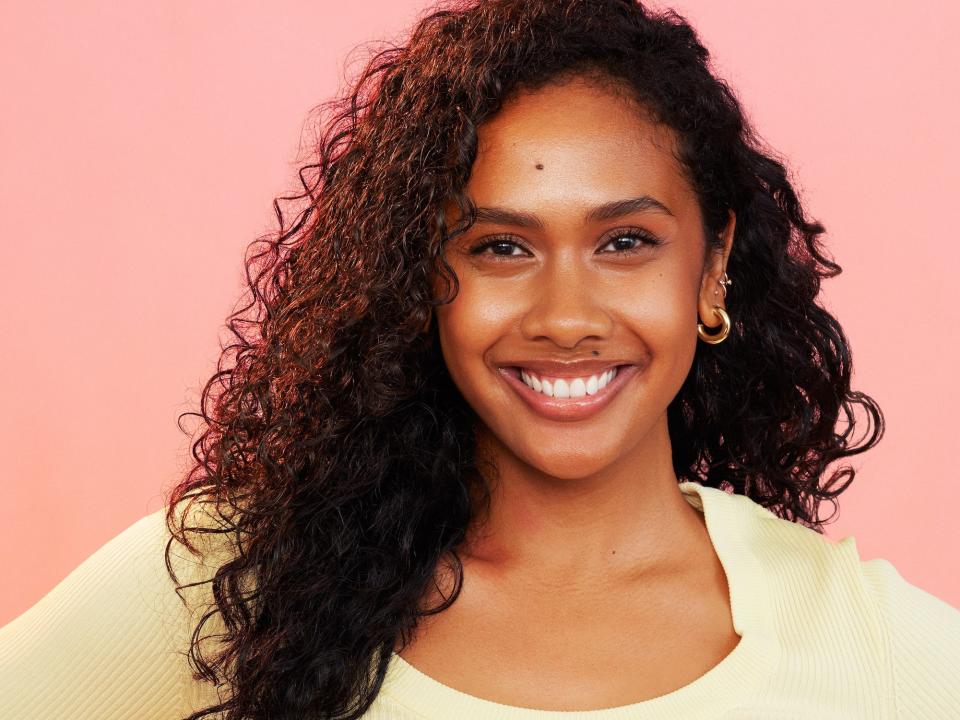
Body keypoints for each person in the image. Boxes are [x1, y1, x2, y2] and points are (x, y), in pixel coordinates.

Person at [2, 0, 959, 718]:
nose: (566, 316)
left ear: (711, 270)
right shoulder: (236, 584)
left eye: (625, 242)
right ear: (421, 281)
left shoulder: (870, 647)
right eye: (500, 247)